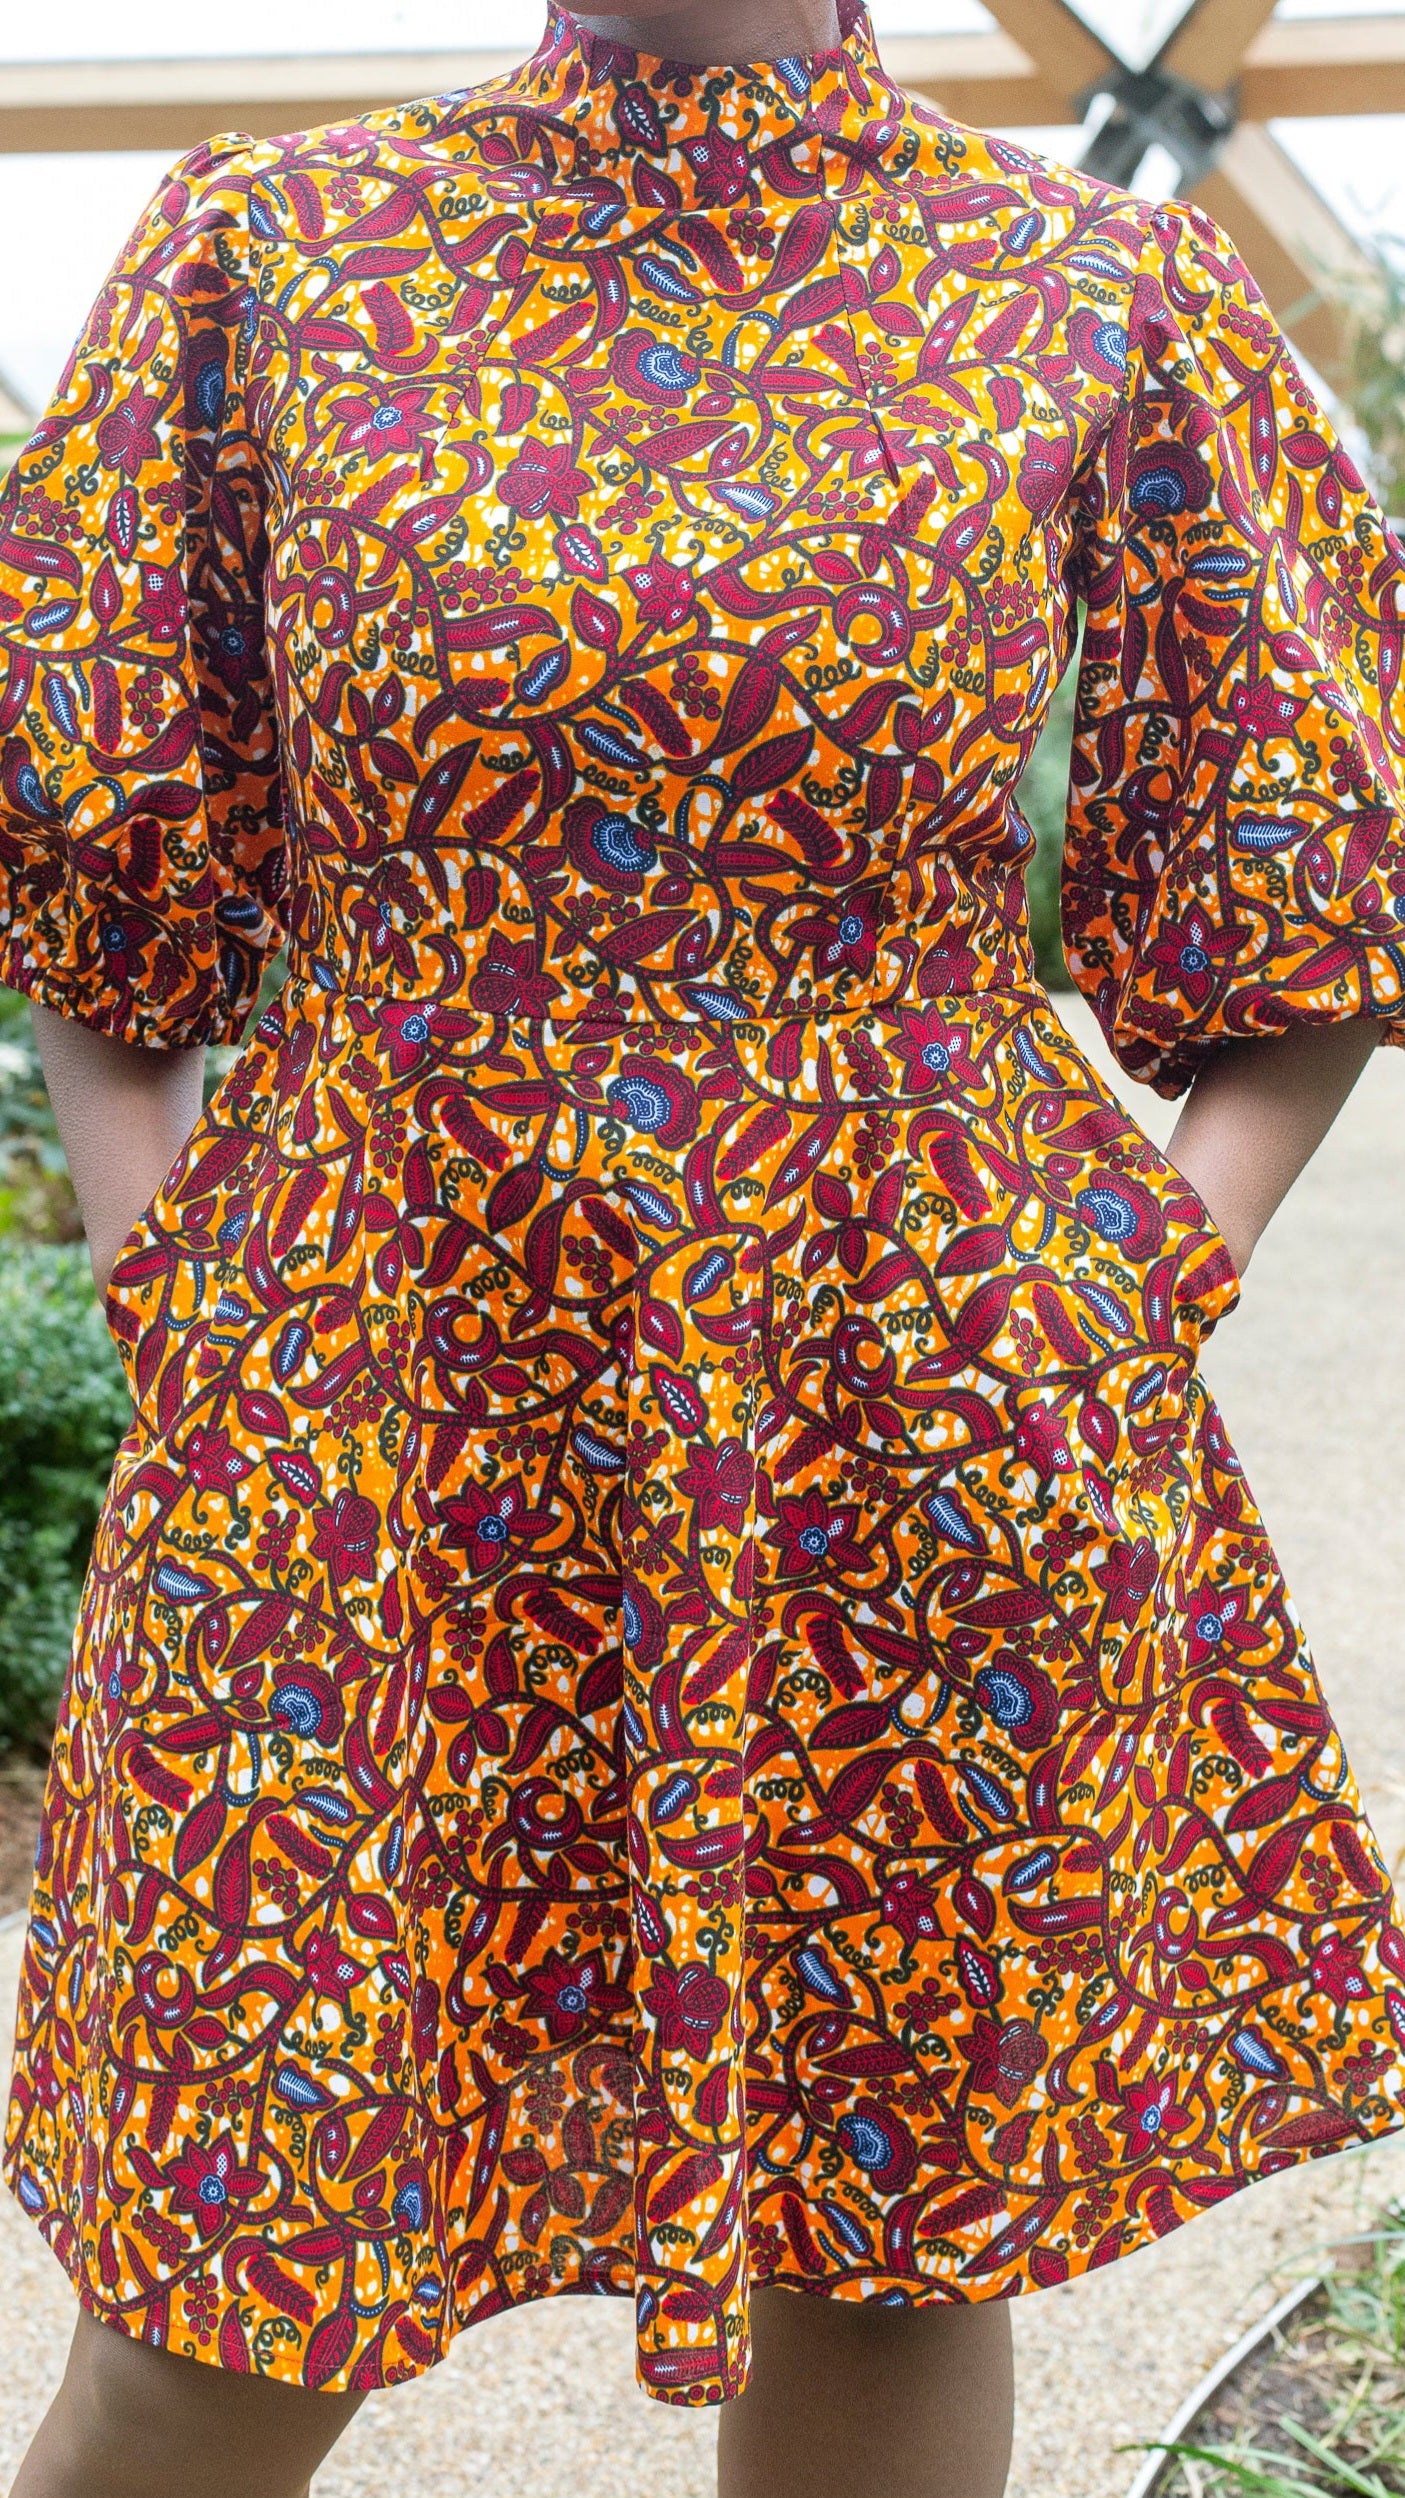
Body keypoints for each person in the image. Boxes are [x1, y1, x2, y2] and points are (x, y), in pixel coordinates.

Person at [1, 0, 1402, 2489]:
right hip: (364, 1417)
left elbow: (1305, 891)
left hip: (913, 1424)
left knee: (880, 2245)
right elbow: (95, 871)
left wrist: (1123, 1296)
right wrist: (169, 1282)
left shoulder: (1082, 284)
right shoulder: (270, 260)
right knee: (222, 2270)